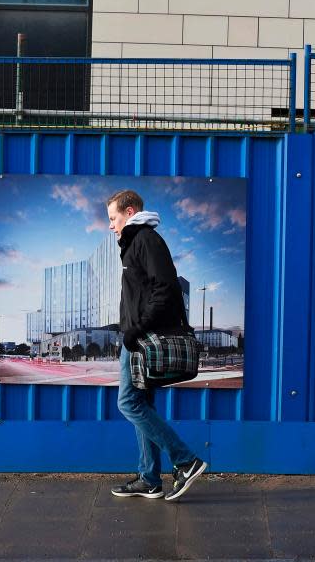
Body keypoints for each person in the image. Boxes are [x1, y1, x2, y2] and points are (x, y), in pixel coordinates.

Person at [106, 189, 207, 501]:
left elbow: (165, 289)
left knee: (128, 403)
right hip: (136, 337)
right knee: (142, 405)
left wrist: (135, 329)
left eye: (113, 218)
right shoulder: (135, 242)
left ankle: (186, 460)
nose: (111, 225)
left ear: (130, 211)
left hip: (140, 339)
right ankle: (150, 478)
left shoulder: (146, 240)